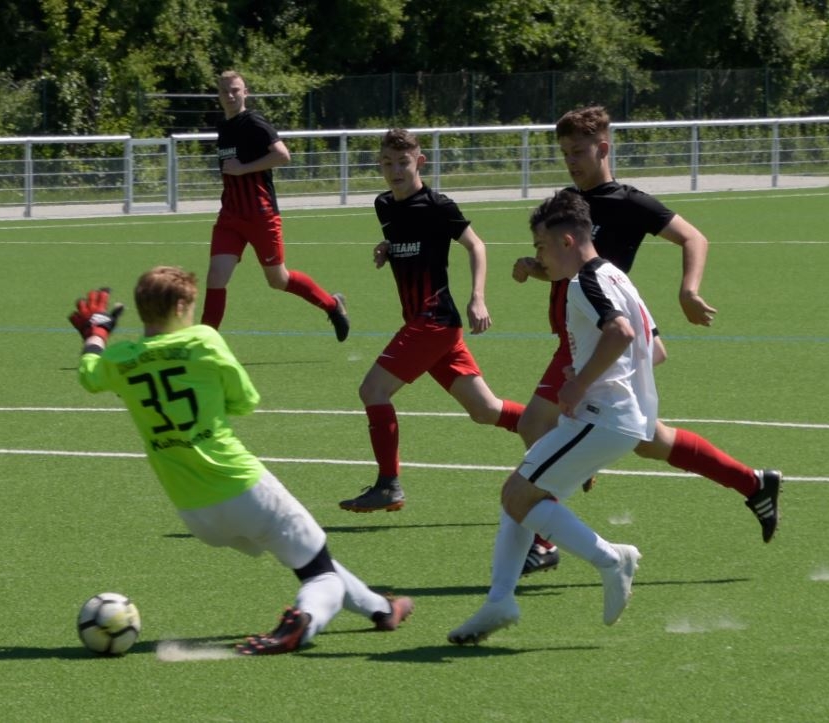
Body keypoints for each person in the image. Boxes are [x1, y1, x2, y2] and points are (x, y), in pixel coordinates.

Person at [68, 269, 412, 655]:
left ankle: (382, 610)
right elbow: (245, 400)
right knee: (321, 576)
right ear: (180, 307)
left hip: (194, 510)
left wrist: (96, 333)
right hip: (241, 487)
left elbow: (89, 375)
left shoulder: (120, 359)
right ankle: (303, 624)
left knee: (308, 555)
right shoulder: (202, 340)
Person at [514, 106, 781, 576]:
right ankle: (753, 483)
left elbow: (694, 238)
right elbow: (565, 268)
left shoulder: (628, 202)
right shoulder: (568, 204)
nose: (571, 161)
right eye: (565, 153)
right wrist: (534, 268)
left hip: (602, 338)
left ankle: (544, 540)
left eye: (578, 152)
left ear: (603, 148)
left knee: (536, 423)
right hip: (592, 335)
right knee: (647, 440)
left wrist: (688, 291)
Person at [449, 190, 653, 644]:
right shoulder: (617, 276)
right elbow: (652, 348)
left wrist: (581, 383)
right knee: (520, 494)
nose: (539, 257)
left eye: (541, 247)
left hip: (602, 417)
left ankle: (611, 559)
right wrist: (587, 369)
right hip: (614, 418)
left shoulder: (584, 282)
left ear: (566, 241)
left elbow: (620, 333)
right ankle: (500, 599)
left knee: (517, 494)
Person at [338, 128, 525, 513]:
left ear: (420, 162)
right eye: (387, 163)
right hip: (432, 328)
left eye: (403, 163)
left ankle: (388, 484)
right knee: (485, 410)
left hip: (433, 320)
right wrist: (388, 249)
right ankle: (561, 435)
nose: (395, 171)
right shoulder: (384, 205)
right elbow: (410, 241)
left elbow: (476, 245)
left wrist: (478, 297)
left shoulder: (438, 205)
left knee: (373, 390)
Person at [200, 70, 349, 341]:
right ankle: (204, 343)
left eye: (235, 90)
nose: (230, 95)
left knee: (278, 280)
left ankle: (332, 304)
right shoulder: (224, 128)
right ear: (218, 95)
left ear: (245, 93)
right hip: (230, 216)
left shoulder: (253, 122)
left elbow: (282, 155)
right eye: (224, 91)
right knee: (215, 277)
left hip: (260, 214)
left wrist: (243, 168)